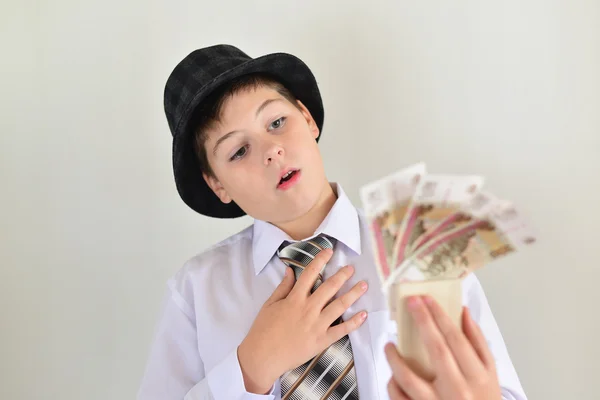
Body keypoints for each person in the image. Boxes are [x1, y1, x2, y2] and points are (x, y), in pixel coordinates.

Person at [137, 44, 527, 400]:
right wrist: (249, 369)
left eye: (276, 123)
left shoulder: (420, 248)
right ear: (217, 184)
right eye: (239, 150)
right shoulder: (195, 291)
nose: (272, 151)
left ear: (307, 118)